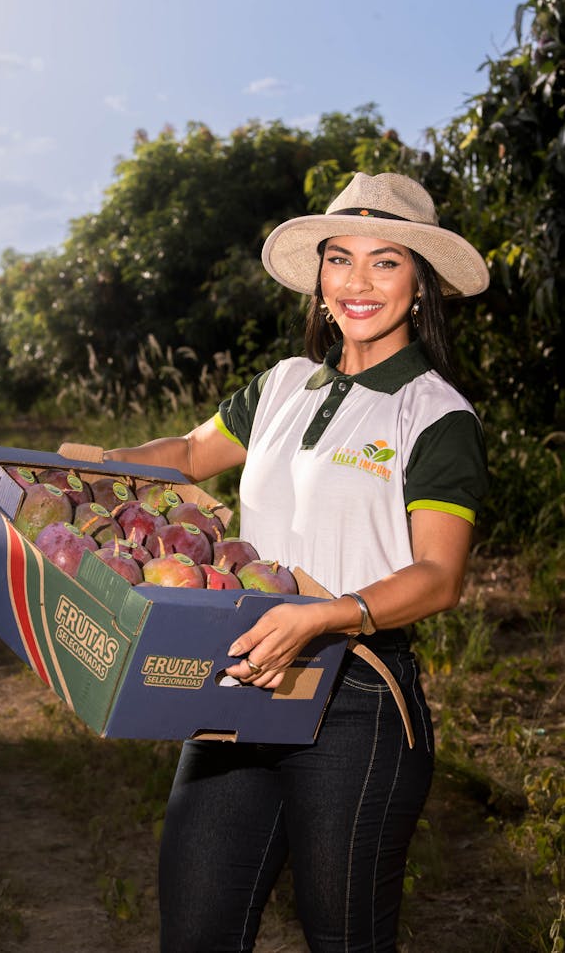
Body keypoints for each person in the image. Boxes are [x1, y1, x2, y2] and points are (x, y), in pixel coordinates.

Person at [103, 171, 490, 952]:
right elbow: (185, 453)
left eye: (385, 262)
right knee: (195, 932)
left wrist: (325, 613)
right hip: (240, 680)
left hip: (357, 698)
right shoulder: (281, 386)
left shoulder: (436, 414)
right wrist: (87, 464)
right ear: (317, 279)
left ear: (419, 285)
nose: (357, 281)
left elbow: (438, 577)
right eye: (339, 258)